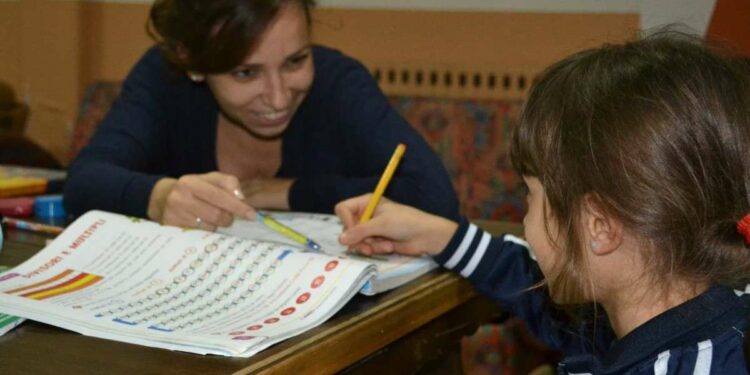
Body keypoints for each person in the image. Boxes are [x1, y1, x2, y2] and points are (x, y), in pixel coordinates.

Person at [336, 32, 750, 373]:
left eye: (530, 198)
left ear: (599, 226)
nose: (526, 221)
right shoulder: (670, 304)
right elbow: (541, 290)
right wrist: (442, 236)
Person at [63, 0, 458, 231]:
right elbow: (84, 181)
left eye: (295, 61)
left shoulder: (339, 83)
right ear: (193, 64)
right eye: (245, 72)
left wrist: (286, 192)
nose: (278, 97)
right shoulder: (165, 79)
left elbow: (435, 199)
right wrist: (160, 196)